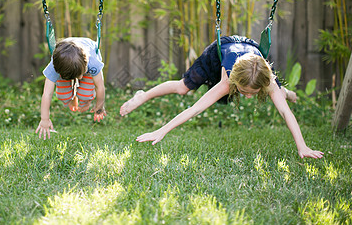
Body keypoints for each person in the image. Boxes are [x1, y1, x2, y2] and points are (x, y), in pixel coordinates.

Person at [120, 35, 323, 159]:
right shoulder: (227, 80)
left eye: (252, 93)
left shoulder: (264, 78)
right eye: (244, 93)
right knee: (183, 88)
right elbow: (195, 109)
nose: (249, 98)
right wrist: (161, 131)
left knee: (276, 95)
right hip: (220, 53)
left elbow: (284, 111)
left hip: (252, 57)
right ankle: (143, 96)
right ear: (234, 82)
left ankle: (283, 92)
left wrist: (302, 146)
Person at [36, 37, 107, 140]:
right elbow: (47, 94)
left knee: (85, 95)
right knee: (62, 96)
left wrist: (99, 107)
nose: (80, 78)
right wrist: (44, 119)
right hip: (65, 61)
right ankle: (72, 98)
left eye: (80, 75)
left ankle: (84, 100)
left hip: (84, 61)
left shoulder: (92, 62)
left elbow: (100, 87)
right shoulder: (54, 67)